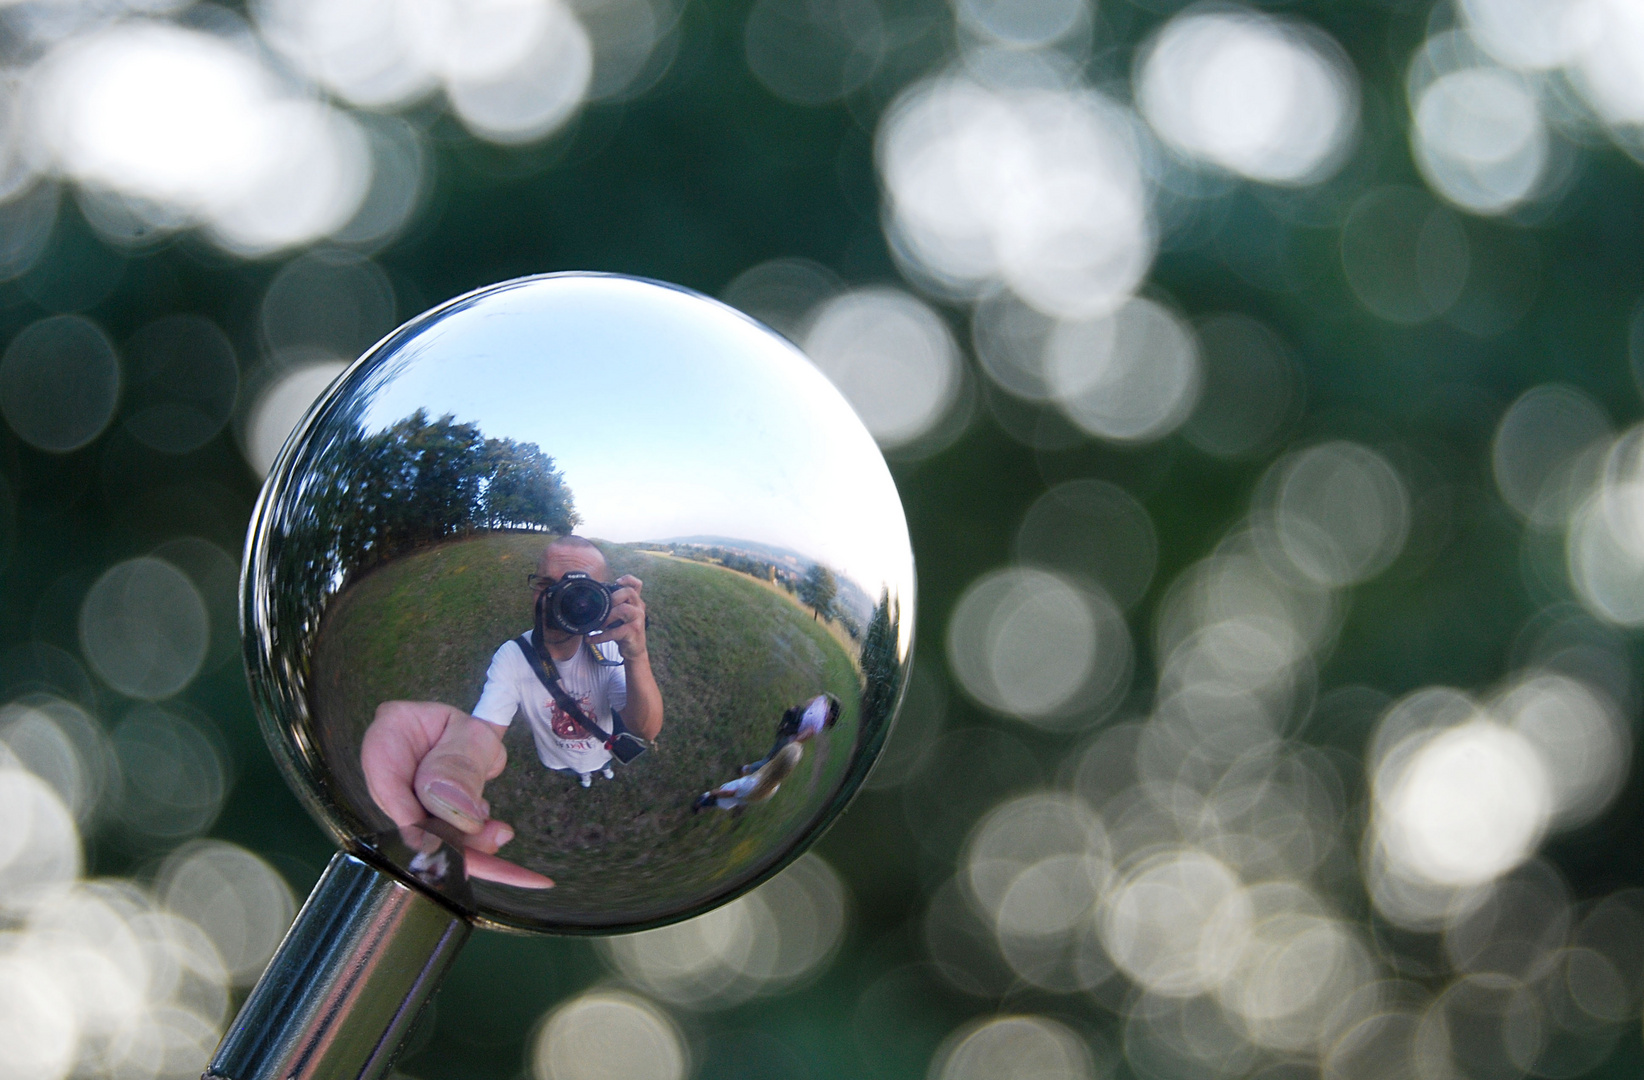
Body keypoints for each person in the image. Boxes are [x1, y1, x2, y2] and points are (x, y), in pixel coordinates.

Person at [469, 535, 664, 788]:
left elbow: (646, 729)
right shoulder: (512, 658)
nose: (556, 602)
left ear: (604, 600)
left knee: (602, 762)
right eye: (546, 585)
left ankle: (599, 769)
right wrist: (463, 763)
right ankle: (584, 774)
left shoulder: (609, 647)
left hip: (602, 749)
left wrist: (637, 655)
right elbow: (483, 731)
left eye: (577, 593)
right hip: (556, 758)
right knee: (575, 770)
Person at [740, 692, 839, 775]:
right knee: (771, 760)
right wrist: (792, 745)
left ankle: (754, 767)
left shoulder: (821, 700)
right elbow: (803, 736)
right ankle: (746, 769)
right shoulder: (818, 725)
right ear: (830, 717)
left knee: (775, 749)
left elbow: (807, 704)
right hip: (790, 734)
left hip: (788, 721)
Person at [693, 742, 804, 815]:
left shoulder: (752, 783)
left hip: (724, 797)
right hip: (730, 802)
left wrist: (714, 792)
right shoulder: (772, 787)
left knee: (708, 800)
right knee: (715, 804)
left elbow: (728, 793)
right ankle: (704, 805)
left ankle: (699, 805)